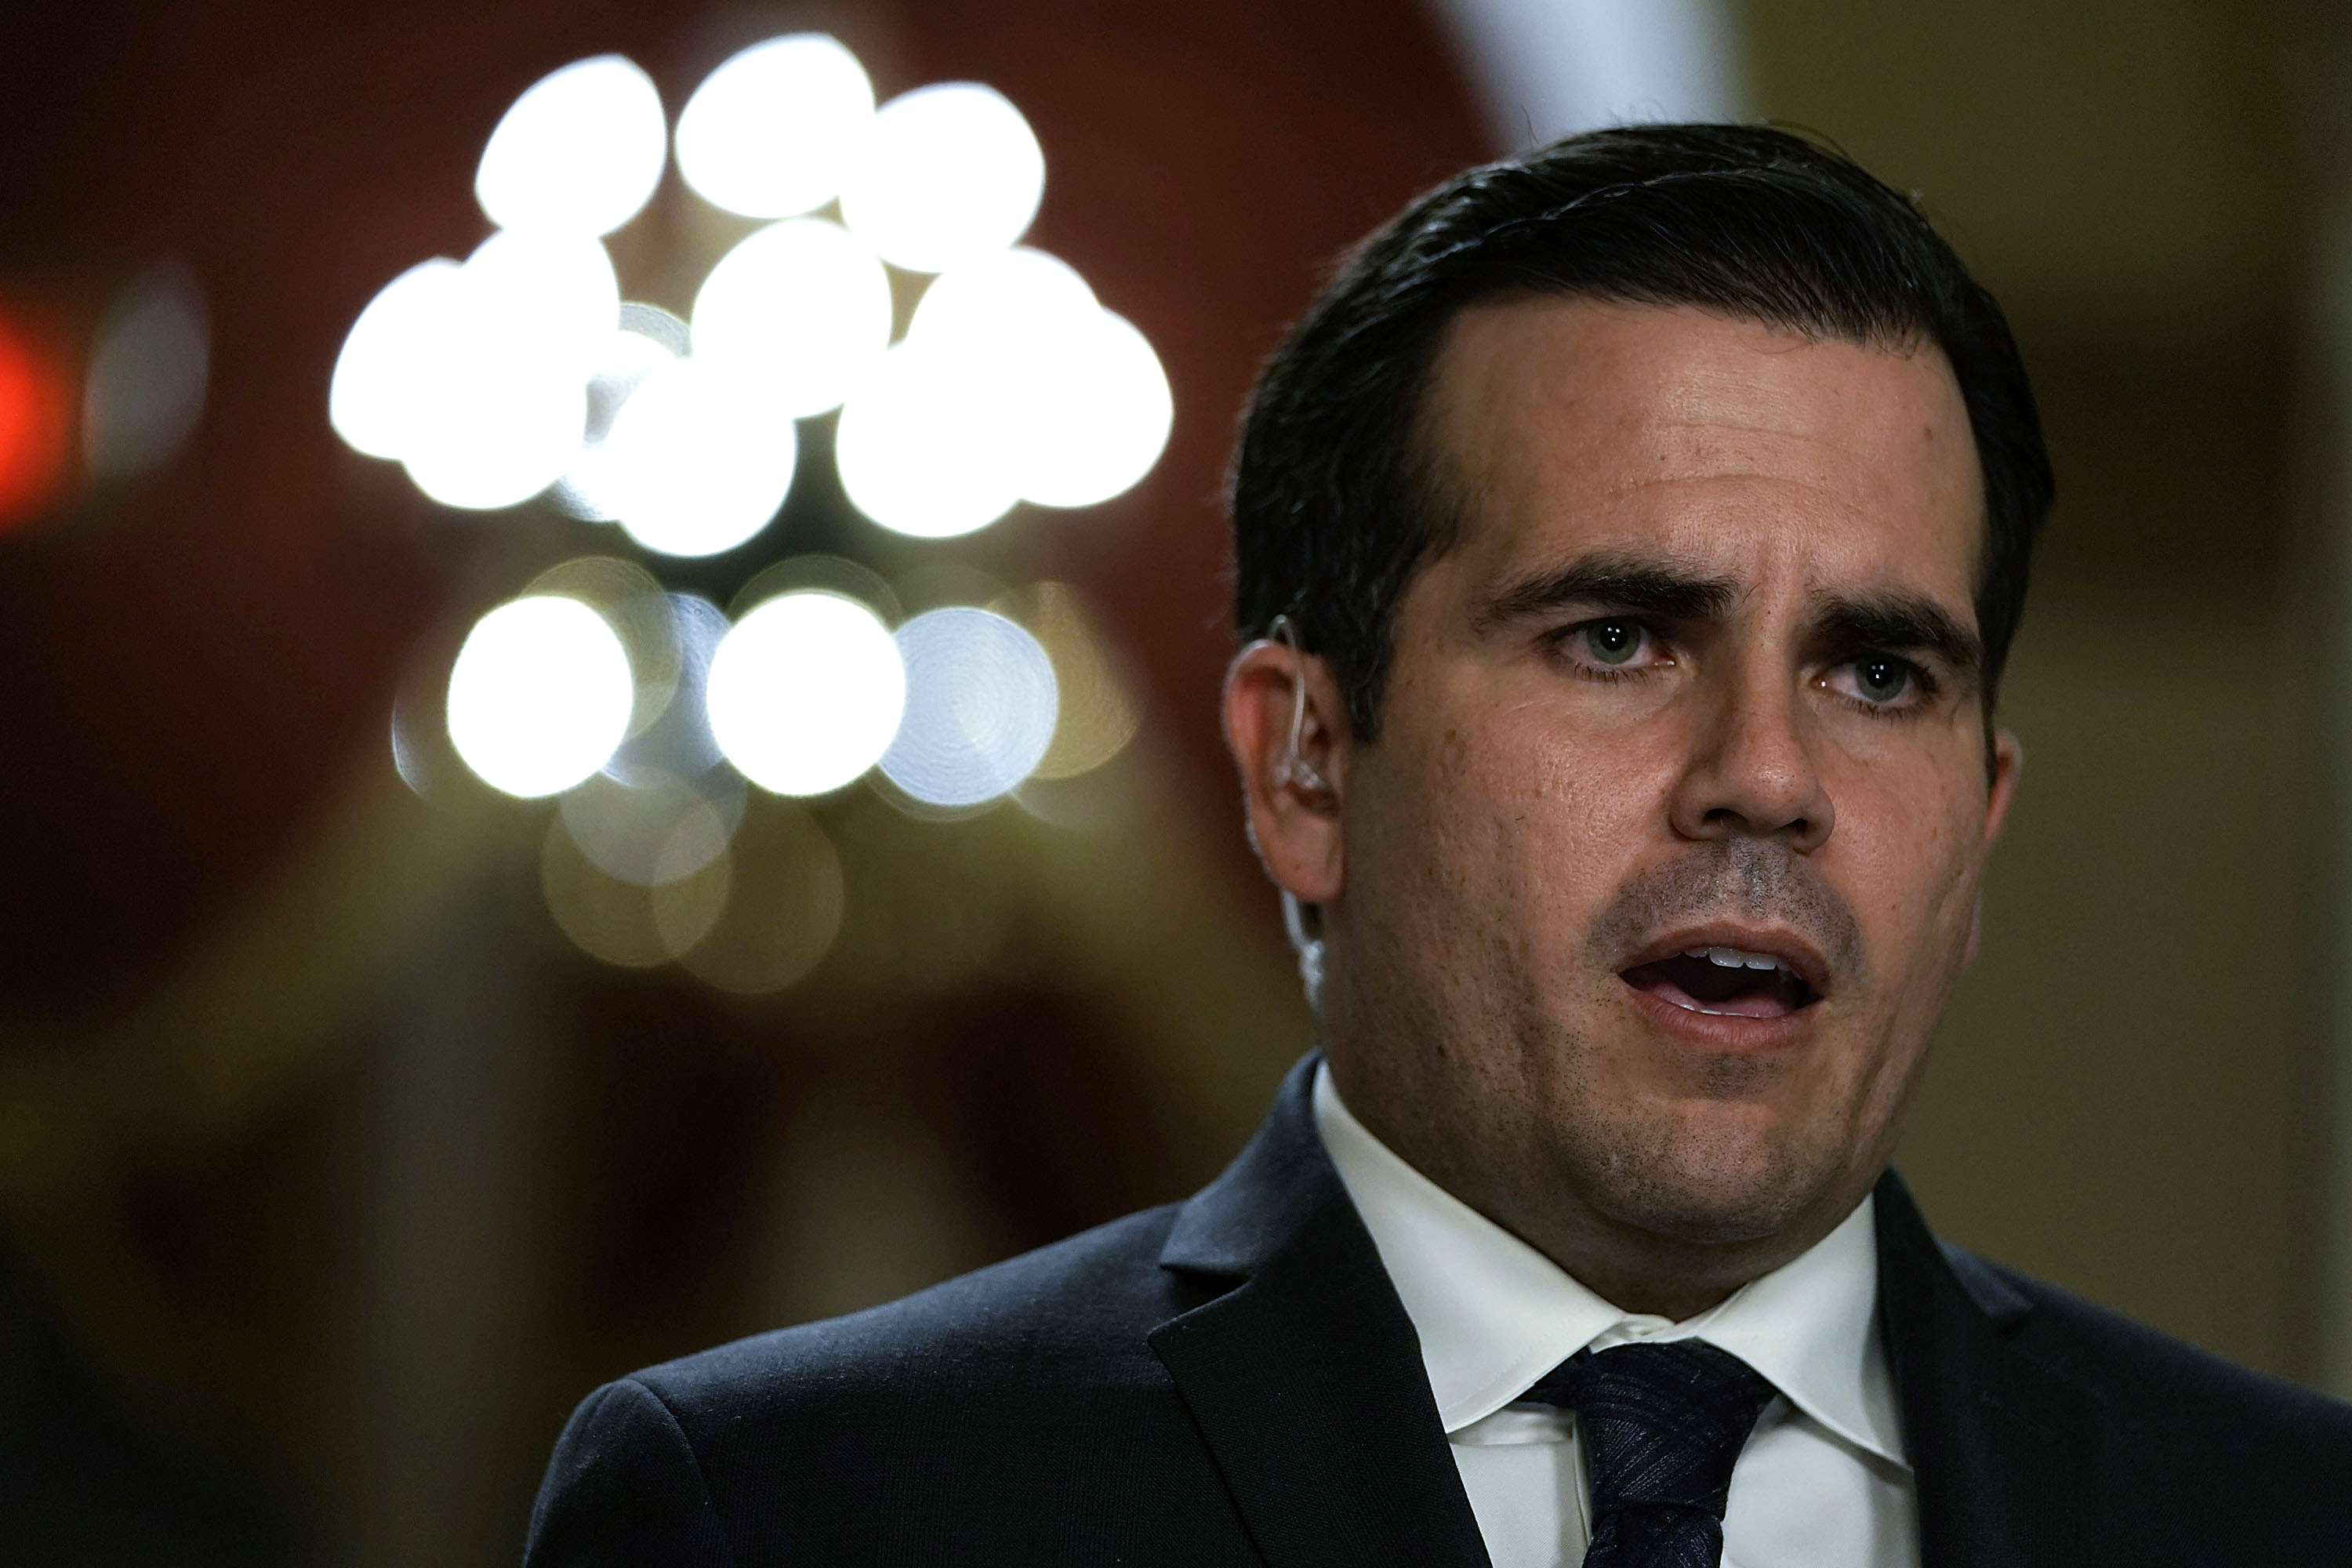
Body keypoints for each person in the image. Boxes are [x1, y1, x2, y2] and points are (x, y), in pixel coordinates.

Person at [522, 125, 2352, 1567]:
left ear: (1982, 826)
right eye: (1620, 637)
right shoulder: (797, 1510)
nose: (1767, 775)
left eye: (1879, 670)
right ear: (1305, 764)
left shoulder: (2282, 1520)